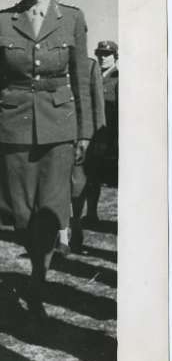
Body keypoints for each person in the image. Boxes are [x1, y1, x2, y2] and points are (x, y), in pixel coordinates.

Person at [0, 0, 93, 319]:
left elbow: (81, 80)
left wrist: (85, 133)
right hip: (13, 127)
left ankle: (38, 279)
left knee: (51, 210)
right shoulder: (2, 21)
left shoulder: (71, 18)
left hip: (59, 128)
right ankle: (36, 265)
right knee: (22, 213)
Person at [67, 56, 106, 253]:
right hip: (53, 134)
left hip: (80, 138)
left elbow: (98, 105)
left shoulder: (89, 66)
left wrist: (99, 138)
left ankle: (75, 224)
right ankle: (60, 232)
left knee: (77, 187)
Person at [81, 41, 119, 226]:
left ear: (115, 56)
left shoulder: (119, 79)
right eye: (100, 54)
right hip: (92, 135)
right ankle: (91, 214)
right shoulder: (91, 76)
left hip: (110, 136)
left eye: (107, 54)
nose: (103, 58)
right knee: (91, 176)